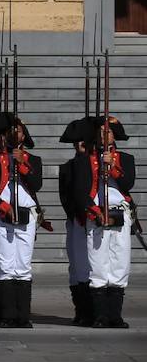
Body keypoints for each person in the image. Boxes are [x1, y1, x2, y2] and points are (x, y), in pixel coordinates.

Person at [0, 113, 43, 328]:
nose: (16, 134)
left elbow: (36, 184)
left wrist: (22, 164)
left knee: (23, 266)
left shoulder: (33, 160)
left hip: (26, 215)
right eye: (11, 131)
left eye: (19, 130)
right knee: (5, 265)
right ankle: (7, 314)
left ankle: (22, 315)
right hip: (2, 215)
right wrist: (2, 206)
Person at [72, 115, 136, 328]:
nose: (104, 135)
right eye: (100, 132)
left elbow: (128, 184)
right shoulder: (85, 160)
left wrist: (113, 166)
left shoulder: (126, 158)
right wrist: (94, 211)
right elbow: (80, 191)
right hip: (97, 214)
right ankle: (99, 315)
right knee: (98, 264)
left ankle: (114, 315)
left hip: (119, 213)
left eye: (107, 132)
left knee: (119, 263)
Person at [58, 117, 93, 326]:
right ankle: (82, 310)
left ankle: (95, 309)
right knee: (77, 267)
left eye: (84, 140)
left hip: (96, 221)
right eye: (77, 141)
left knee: (95, 267)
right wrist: (78, 214)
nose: (80, 144)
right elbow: (66, 196)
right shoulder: (69, 167)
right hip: (78, 220)